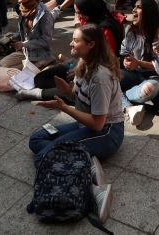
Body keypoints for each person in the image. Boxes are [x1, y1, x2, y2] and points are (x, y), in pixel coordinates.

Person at [29, 23, 123, 219]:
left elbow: (98, 123)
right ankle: (84, 161)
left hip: (106, 132)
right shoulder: (84, 64)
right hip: (86, 125)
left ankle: (95, 189)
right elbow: (79, 97)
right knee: (37, 139)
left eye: (75, 40)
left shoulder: (99, 77)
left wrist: (64, 108)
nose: (71, 43)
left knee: (42, 158)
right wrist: (66, 91)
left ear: (91, 45)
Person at [119, 0, 159, 126]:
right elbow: (124, 51)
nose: (133, 10)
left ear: (149, 12)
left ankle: (117, 96)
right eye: (134, 7)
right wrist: (126, 62)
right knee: (109, 77)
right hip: (133, 75)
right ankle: (129, 108)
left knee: (148, 90)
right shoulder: (130, 30)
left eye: (138, 7)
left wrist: (138, 63)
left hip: (153, 77)